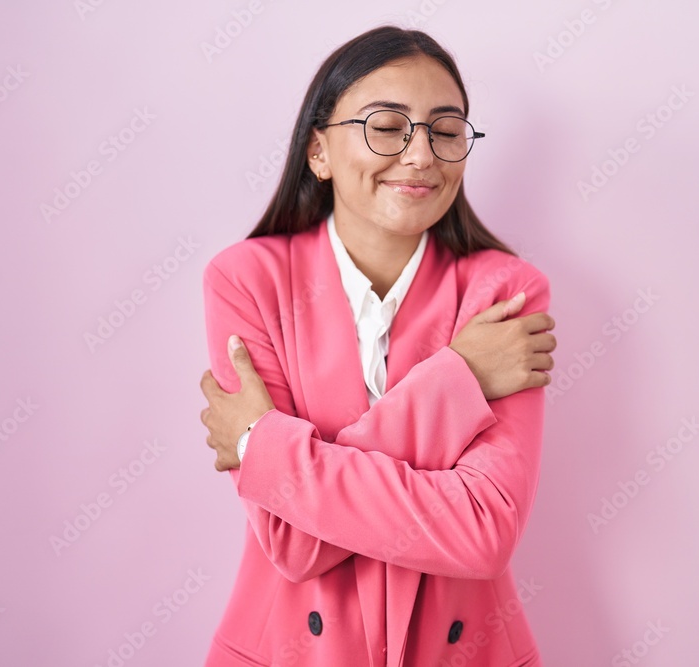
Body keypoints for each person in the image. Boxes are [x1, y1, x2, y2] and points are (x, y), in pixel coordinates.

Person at [199, 25, 557, 667]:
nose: (420, 155)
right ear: (318, 151)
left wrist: (270, 452)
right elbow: (292, 544)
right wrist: (462, 377)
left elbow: (484, 530)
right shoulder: (246, 281)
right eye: (387, 127)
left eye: (445, 131)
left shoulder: (505, 292)